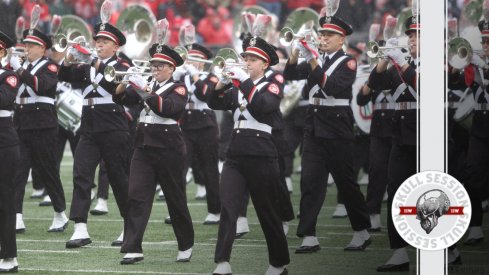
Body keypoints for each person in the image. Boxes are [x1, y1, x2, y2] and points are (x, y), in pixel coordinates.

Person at [283, 14, 372, 254]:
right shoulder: (317, 58)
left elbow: (330, 87)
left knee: (346, 183)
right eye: (321, 34)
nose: (323, 39)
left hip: (337, 126)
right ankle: (309, 235)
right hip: (313, 125)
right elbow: (290, 75)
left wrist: (312, 59)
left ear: (341, 38)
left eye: (328, 35)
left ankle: (361, 231)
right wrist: (295, 51)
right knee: (310, 181)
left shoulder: (348, 62)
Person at [208, 36, 289, 275]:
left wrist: (243, 82)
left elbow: (263, 106)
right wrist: (222, 83)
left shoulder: (273, 84)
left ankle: (278, 263)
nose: (246, 62)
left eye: (252, 59)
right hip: (236, 152)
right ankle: (222, 262)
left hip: (262, 153)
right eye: (245, 58)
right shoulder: (238, 86)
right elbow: (214, 102)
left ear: (264, 64)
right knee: (229, 207)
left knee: (267, 212)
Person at [114, 43, 194, 264]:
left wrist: (145, 90)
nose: (155, 69)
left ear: (171, 68)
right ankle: (133, 247)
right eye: (153, 65)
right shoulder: (147, 83)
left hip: (169, 147)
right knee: (136, 195)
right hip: (143, 145)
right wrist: (125, 80)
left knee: (175, 198)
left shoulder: (178, 88)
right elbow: (120, 98)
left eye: (160, 66)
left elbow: (168, 108)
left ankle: (186, 243)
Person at [58, 21, 130, 248]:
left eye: (105, 41)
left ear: (115, 46)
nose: (99, 44)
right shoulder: (86, 65)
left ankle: (130, 226)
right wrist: (68, 58)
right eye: (97, 41)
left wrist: (95, 62)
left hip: (113, 124)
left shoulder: (123, 65)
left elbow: (115, 85)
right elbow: (63, 75)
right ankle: (80, 227)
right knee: (81, 173)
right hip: (89, 124)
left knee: (119, 178)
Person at [368, 15, 419, 272]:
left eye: (417, 35)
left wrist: (402, 63)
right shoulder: (400, 65)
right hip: (400, 135)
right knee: (396, 190)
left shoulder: (441, 63)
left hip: (428, 134)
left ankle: (449, 248)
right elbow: (374, 85)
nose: (411, 39)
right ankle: (399, 252)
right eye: (409, 35)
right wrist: (384, 59)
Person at [12, 26, 69, 234]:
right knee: (18, 171)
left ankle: (60, 213)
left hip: (43, 125)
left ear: (42, 48)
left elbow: (40, 86)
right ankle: (16, 215)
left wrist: (18, 70)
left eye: (31, 45)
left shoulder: (50, 66)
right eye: (26, 44)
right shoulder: (20, 66)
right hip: (21, 123)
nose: (26, 48)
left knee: (48, 170)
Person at [177, 42, 221, 224]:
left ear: (203, 62)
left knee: (209, 169)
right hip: (186, 126)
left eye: (196, 60)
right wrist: (178, 74)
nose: (192, 63)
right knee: (180, 169)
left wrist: (195, 76)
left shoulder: (211, 77)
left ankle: (215, 211)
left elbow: (205, 95)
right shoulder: (181, 77)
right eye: (190, 59)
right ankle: (177, 210)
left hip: (205, 126)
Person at [356, 80, 394, 231]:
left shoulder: (407, 73)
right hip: (378, 130)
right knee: (376, 170)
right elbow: (361, 100)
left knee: (399, 175)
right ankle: (373, 213)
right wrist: (373, 78)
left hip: (401, 128)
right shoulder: (376, 78)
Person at [0, 30, 21, 273]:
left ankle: (9, 255)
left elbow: (4, 100)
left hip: (4, 140)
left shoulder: (9, 76)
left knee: (5, 201)